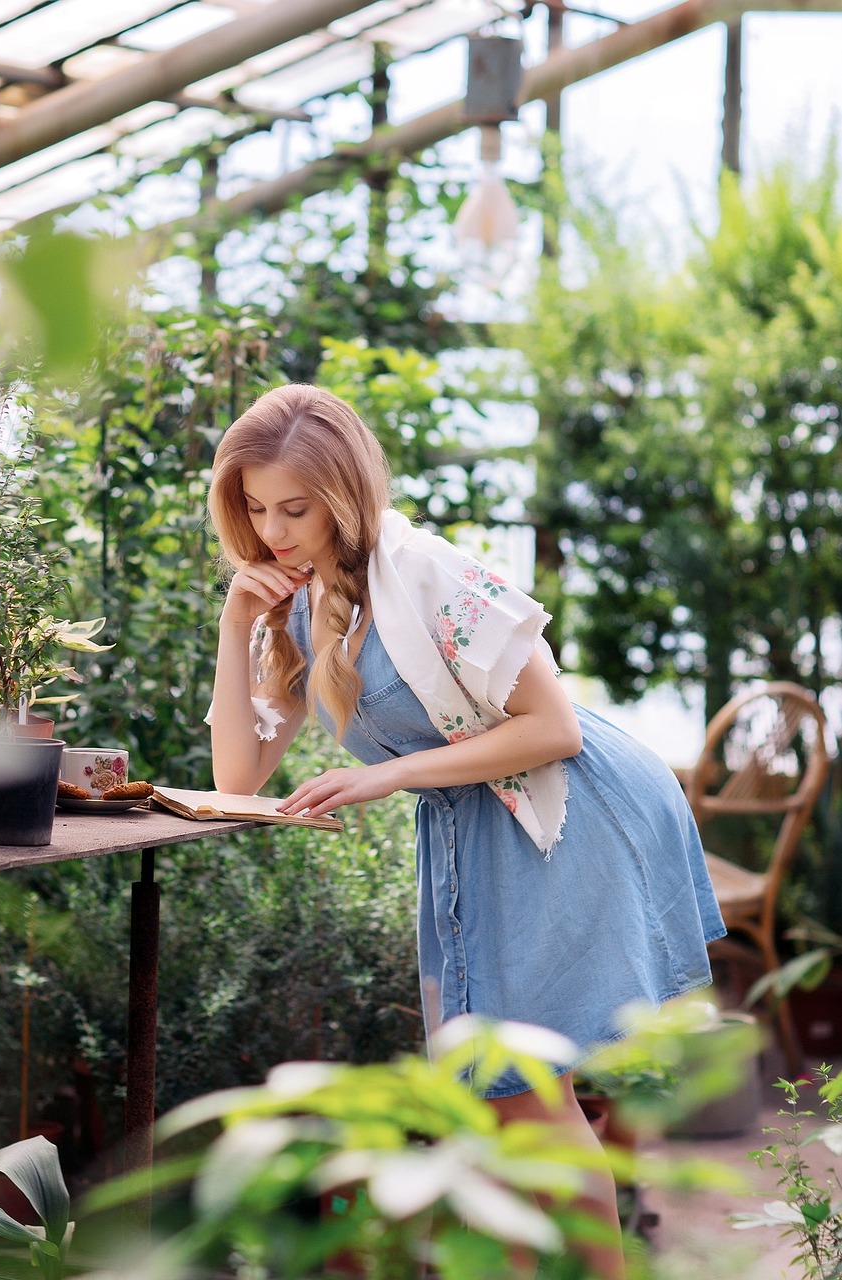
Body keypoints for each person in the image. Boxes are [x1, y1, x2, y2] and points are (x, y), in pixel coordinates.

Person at [205, 383, 726, 1280]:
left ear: (344, 494)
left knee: (522, 1092)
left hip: (562, 814)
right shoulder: (300, 604)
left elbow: (552, 726)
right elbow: (235, 776)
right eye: (254, 508)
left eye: (295, 508)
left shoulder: (429, 576)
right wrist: (235, 622)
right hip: (471, 830)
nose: (275, 529)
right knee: (501, 1099)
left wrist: (385, 775)